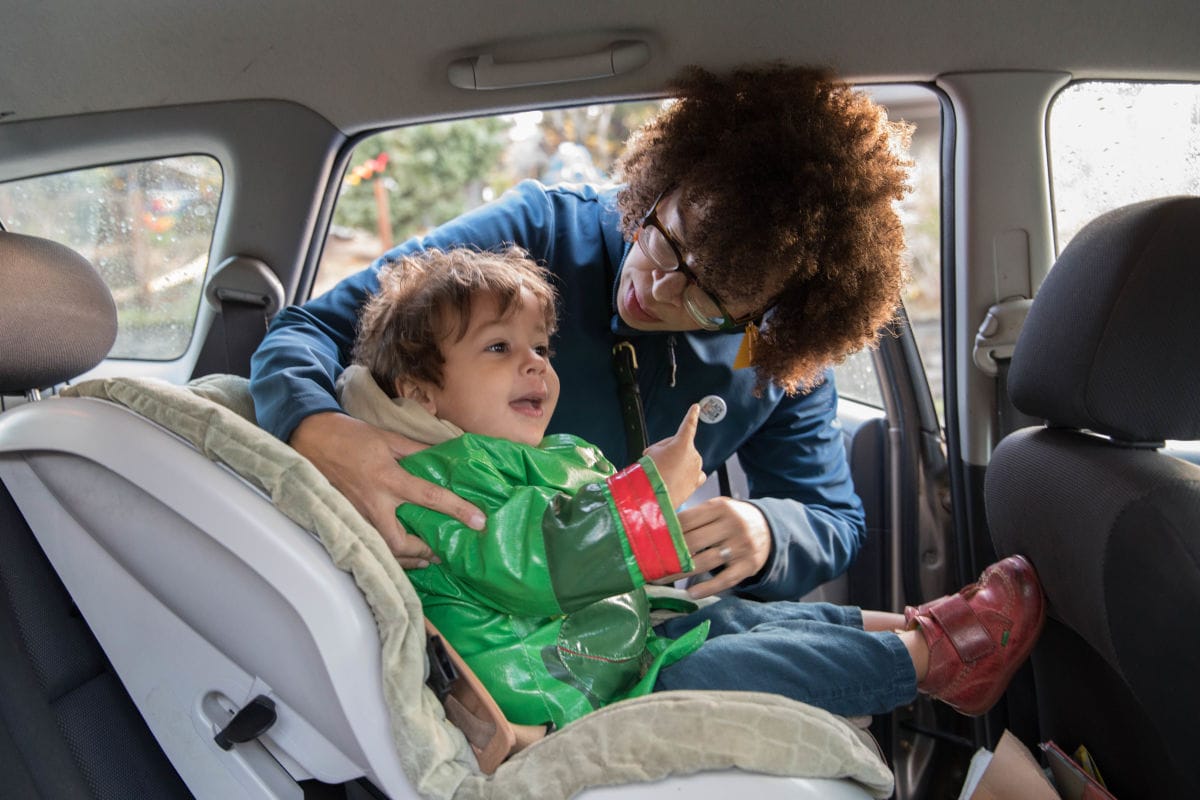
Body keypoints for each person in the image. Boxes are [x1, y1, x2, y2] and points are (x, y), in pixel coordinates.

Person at [250, 64, 912, 601]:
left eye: (711, 298)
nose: (654, 289)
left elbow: (832, 519)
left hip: (629, 610)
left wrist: (770, 532)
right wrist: (319, 431)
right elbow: (305, 330)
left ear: (770, 317)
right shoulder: (533, 234)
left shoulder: (772, 358)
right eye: (664, 238)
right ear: (664, 179)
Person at [337, 246, 1044, 729]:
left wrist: (746, 526)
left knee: (738, 617)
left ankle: (918, 633)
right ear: (420, 391)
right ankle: (935, 660)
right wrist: (650, 494)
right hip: (553, 684)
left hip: (597, 644)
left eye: (542, 349)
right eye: (500, 348)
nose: (535, 367)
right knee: (737, 658)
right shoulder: (431, 478)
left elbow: (827, 511)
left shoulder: (527, 454)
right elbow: (539, 560)